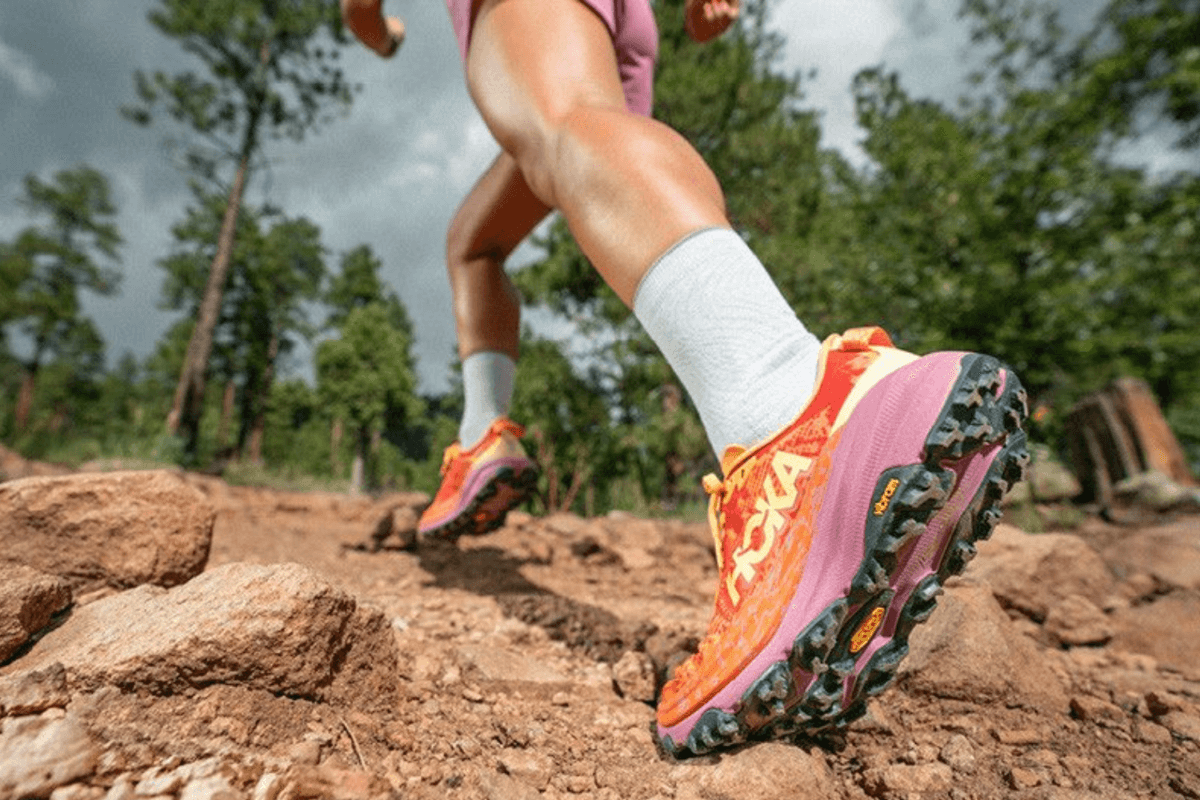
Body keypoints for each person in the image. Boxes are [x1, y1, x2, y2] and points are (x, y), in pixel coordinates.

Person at [340, 0, 1030, 758]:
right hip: (625, 31)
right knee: (477, 238)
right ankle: (483, 436)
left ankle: (793, 407)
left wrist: (375, 29)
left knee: (566, 123)